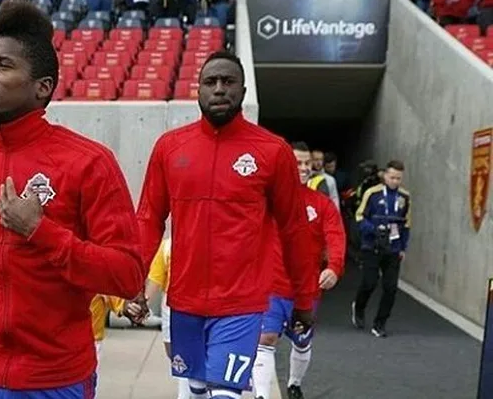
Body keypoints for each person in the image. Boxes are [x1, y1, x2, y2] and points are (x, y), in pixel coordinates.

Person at [0, 0, 144, 399]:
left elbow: (126, 275)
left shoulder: (90, 163)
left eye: (3, 66)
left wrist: (41, 231)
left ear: (43, 87)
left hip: (57, 380)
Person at [131, 52, 318, 399]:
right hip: (184, 301)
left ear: (243, 90)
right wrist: (134, 281)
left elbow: (295, 231)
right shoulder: (170, 148)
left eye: (228, 82)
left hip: (241, 304)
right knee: (196, 390)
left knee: (225, 394)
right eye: (210, 82)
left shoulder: (272, 151)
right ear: (197, 90)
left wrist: (304, 297)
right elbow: (148, 220)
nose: (219, 89)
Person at [251, 141, 346, 399]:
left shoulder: (322, 204)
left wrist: (334, 267)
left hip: (306, 291)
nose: (303, 168)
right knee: (265, 339)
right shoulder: (267, 201)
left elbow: (336, 237)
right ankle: (261, 394)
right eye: (297, 163)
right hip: (271, 288)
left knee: (302, 342)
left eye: (307, 163)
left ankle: (294, 384)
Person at [351, 160, 411, 338]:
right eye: (392, 177)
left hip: (393, 248)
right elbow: (359, 215)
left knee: (391, 287)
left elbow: (407, 224)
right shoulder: (373, 193)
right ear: (385, 176)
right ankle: (359, 307)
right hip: (372, 245)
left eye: (398, 178)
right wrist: (373, 230)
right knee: (370, 282)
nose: (395, 181)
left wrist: (403, 247)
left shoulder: (405, 197)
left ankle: (380, 323)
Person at [142, 238, 191, 399]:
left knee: (187, 351)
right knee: (172, 351)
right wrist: (142, 302)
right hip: (170, 305)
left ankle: (186, 393)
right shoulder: (167, 246)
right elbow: (156, 279)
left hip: (192, 304)